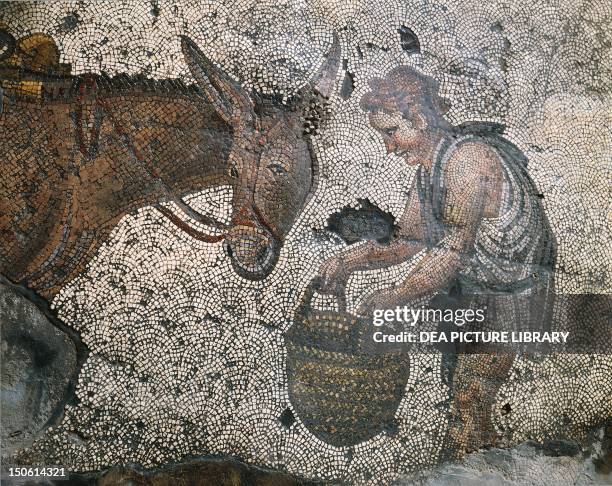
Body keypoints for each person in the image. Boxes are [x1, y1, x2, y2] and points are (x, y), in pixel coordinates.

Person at [316, 65, 557, 455]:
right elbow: (409, 241)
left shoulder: (468, 161)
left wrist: (395, 295)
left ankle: (469, 473)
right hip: (475, 289)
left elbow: (451, 249)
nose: (388, 146)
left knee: (469, 395)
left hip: (515, 292)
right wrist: (349, 260)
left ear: (421, 118)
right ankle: (479, 466)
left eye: (391, 132)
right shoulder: (430, 171)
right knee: (465, 396)